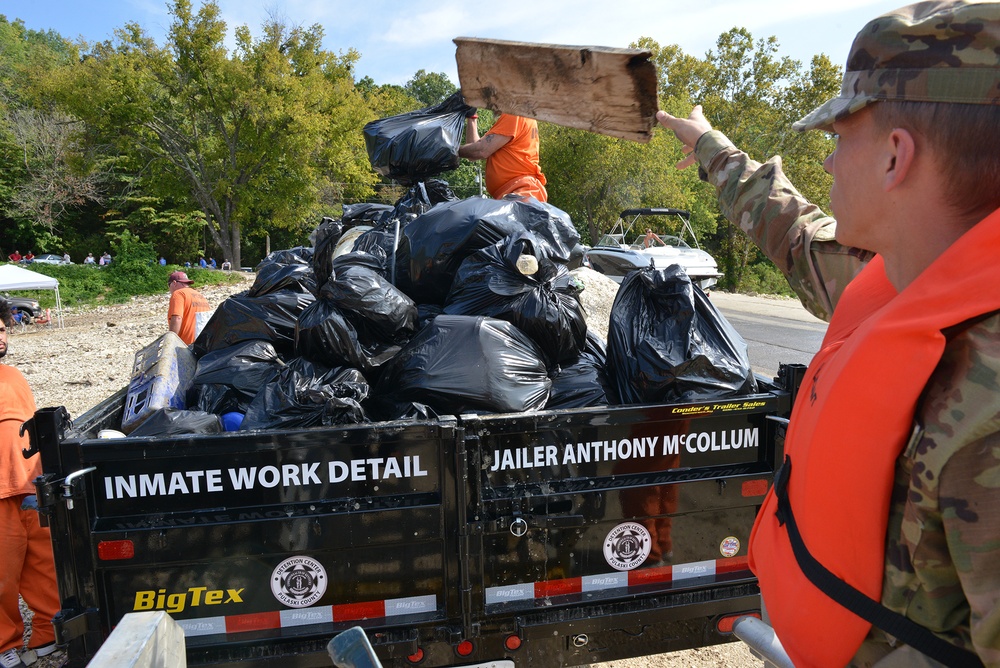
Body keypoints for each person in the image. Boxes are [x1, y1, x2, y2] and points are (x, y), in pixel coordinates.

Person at [656, 2, 1000, 666]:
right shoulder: (905, 275)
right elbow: (795, 233)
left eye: (841, 136)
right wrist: (707, 145)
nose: (829, 159)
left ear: (896, 157)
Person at [0, 300, 62, 668]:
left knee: (45, 566)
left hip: (28, 486)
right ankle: (5, 643)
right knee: (2, 577)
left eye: (2, 329)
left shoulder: (15, 376)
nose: (0, 336)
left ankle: (46, 633)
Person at [458, 112, 548, 202]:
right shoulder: (519, 115)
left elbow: (482, 150)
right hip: (517, 193)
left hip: (521, 192)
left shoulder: (514, 114)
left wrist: (450, 151)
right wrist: (472, 117)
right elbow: (474, 153)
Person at [167, 271, 211, 345]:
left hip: (185, 345)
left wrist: (171, 342)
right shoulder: (200, 295)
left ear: (174, 283)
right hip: (203, 345)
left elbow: (177, 318)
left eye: (169, 285)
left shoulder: (178, 294)